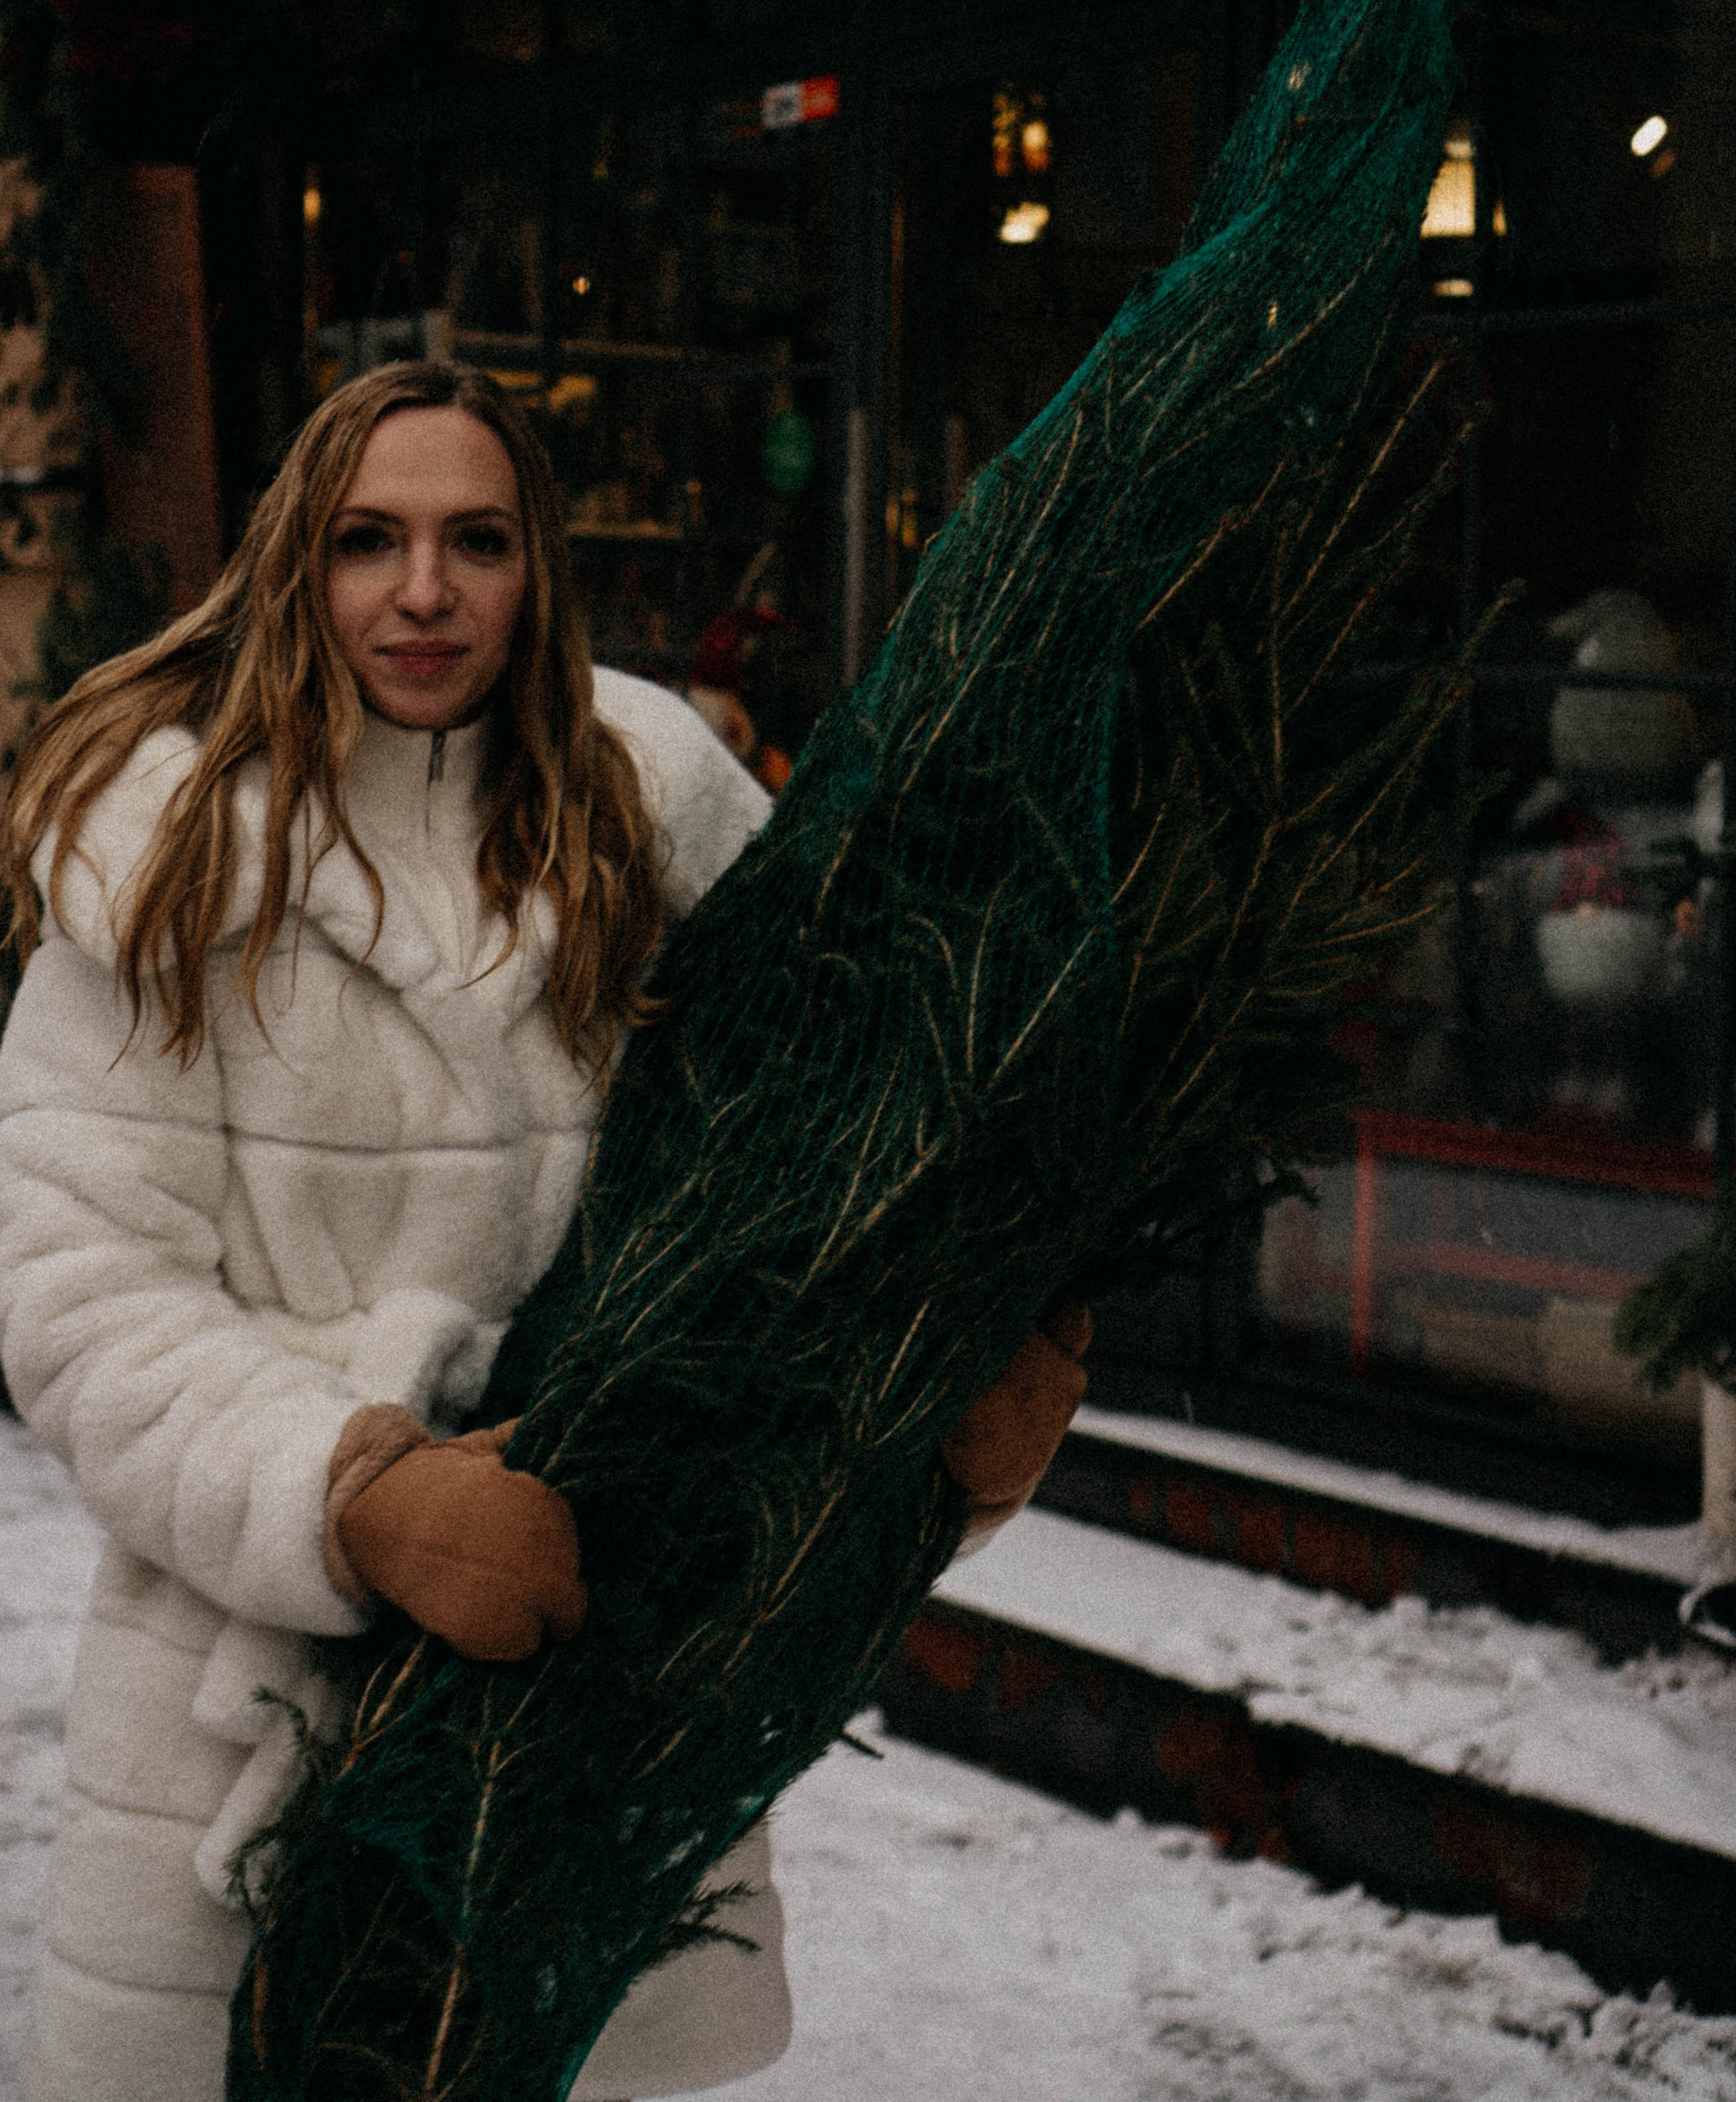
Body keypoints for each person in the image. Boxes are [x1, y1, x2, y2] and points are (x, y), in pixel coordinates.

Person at [0, 361, 1092, 2102]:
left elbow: (786, 1200)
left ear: (539, 569)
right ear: (299, 560)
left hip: (601, 1677)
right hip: (251, 1703)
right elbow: (79, 1299)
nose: (422, 592)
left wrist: (929, 1402)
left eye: (474, 540)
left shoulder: (651, 816)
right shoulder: (171, 853)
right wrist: (354, 1492)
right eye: (370, 541)